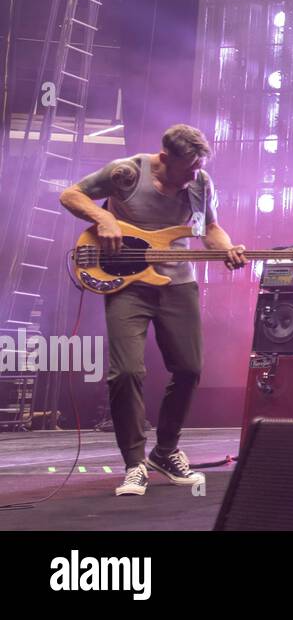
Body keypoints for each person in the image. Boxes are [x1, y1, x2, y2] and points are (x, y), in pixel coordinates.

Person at [59, 124, 247, 497]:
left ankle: (165, 451)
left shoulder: (200, 183)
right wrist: (105, 218)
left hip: (177, 283)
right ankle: (133, 464)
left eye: (199, 166)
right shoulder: (125, 172)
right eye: (189, 166)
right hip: (127, 286)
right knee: (125, 372)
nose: (195, 173)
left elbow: (209, 227)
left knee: (190, 369)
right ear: (165, 159)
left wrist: (226, 247)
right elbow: (71, 194)